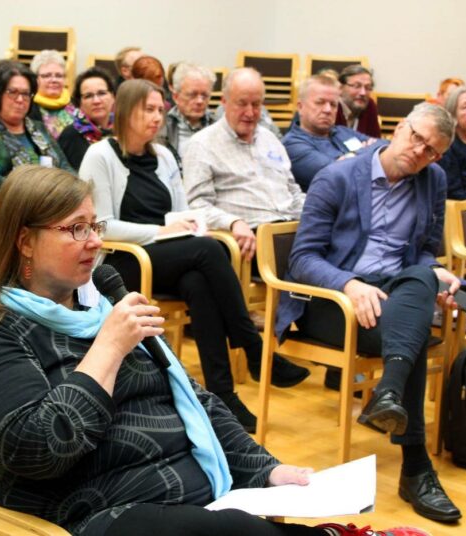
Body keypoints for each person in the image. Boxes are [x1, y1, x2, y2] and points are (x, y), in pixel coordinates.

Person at [0, 164, 428, 536]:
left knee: (238, 524)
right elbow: (38, 450)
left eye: (95, 226)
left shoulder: (99, 300)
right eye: (74, 229)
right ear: (23, 241)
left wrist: (265, 468)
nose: (93, 243)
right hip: (92, 512)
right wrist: (106, 349)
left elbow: (192, 398)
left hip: (188, 498)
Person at [79, 79, 309, 433]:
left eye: (160, 110)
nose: (157, 118)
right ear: (126, 112)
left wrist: (184, 227)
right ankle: (252, 346)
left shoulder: (165, 155)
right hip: (123, 260)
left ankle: (221, 395)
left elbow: (184, 214)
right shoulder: (100, 155)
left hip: (168, 255)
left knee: (199, 280)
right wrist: (159, 232)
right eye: (149, 110)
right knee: (209, 249)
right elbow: (101, 227)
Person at [277, 103, 462, 523]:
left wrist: (436, 271)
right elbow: (302, 259)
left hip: (395, 294)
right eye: (416, 137)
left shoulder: (433, 180)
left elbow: (423, 252)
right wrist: (350, 284)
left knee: (421, 278)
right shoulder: (338, 177)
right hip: (332, 301)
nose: (419, 151)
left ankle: (389, 393)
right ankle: (415, 467)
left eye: (431, 150)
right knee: (410, 334)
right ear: (399, 129)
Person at [183, 68, 306, 263]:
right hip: (250, 239)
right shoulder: (202, 144)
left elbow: (293, 192)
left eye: (256, 105)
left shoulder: (270, 139)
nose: (250, 113)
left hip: (293, 231)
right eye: (241, 104)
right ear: (224, 102)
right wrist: (233, 222)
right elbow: (196, 206)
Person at [0, 60, 72, 248]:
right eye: (13, 92)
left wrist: (73, 191)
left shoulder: (37, 128)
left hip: (43, 213)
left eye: (26, 93)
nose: (20, 99)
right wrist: (31, 197)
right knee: (58, 238)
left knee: (80, 230)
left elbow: (65, 168)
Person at [283, 74, 378, 192]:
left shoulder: (342, 131)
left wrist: (351, 158)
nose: (328, 110)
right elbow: (338, 175)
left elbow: (383, 146)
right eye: (320, 102)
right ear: (300, 107)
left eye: (333, 104)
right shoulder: (292, 145)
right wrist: (367, 153)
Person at [158, 62, 216, 164]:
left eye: (204, 95)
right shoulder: (161, 126)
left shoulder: (218, 126)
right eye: (192, 95)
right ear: (176, 97)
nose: (199, 101)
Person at [58, 67, 115, 170]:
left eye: (102, 93)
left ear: (113, 96)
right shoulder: (71, 135)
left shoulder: (122, 131)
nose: (96, 101)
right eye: (88, 96)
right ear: (79, 103)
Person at [28, 50, 78, 140]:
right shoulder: (27, 107)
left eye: (59, 75)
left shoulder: (77, 105)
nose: (54, 80)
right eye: (47, 75)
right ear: (36, 79)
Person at [336, 65, 381, 138]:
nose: (363, 93)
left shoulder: (370, 105)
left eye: (368, 88)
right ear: (340, 88)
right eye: (357, 86)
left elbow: (375, 142)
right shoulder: (331, 106)